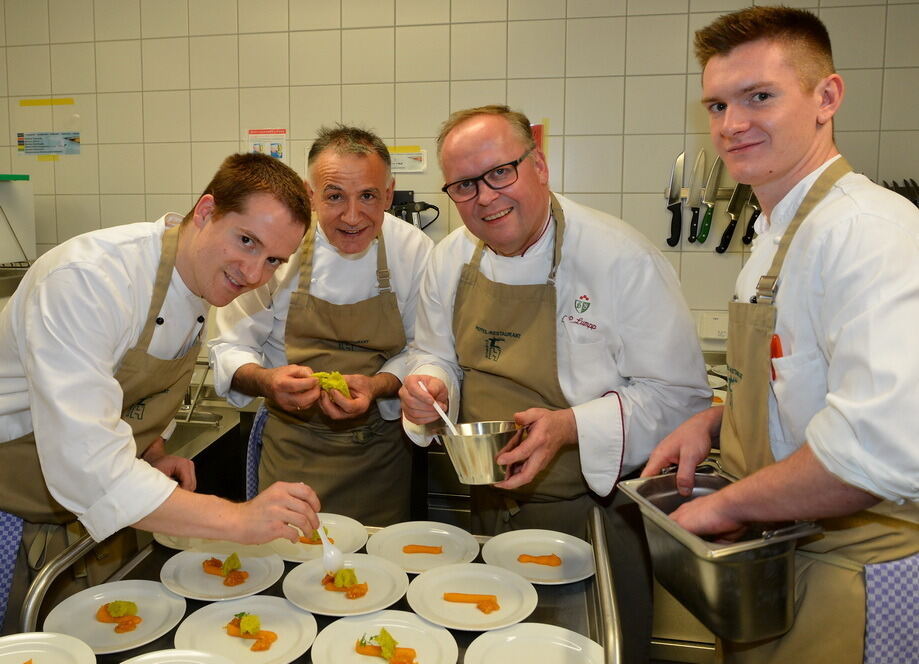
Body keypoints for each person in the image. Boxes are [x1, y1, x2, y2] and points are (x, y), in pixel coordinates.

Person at [641, 7, 919, 663]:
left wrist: (721, 506)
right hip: (778, 557)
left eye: (757, 97)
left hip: (851, 575)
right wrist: (715, 421)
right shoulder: (774, 238)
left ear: (826, 97)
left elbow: (873, 451)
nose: (730, 125)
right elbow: (794, 387)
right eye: (715, 105)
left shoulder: (870, 232)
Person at [399, 104, 711, 663]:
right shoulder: (448, 259)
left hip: (594, 511)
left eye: (501, 172)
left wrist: (570, 427)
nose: (487, 197)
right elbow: (433, 352)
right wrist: (429, 385)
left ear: (539, 166)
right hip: (490, 502)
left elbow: (681, 399)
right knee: (499, 646)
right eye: (465, 185)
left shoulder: (620, 259)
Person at [0, 152, 322, 633]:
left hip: (89, 524)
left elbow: (122, 389)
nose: (255, 274)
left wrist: (150, 447)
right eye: (247, 241)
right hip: (15, 509)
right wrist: (240, 521)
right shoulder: (90, 280)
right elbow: (88, 469)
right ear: (207, 210)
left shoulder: (196, 276)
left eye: (273, 259)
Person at [209, 125, 433, 526]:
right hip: (291, 455)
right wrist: (268, 381)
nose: (352, 217)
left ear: (388, 192)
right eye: (334, 197)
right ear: (311, 195)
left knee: (376, 572)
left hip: (378, 458)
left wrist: (378, 386)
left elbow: (423, 350)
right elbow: (230, 346)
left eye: (367, 196)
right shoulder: (277, 245)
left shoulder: (413, 250)